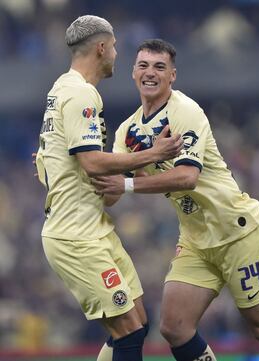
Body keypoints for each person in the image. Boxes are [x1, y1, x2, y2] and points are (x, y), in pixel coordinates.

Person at [92, 39, 259, 361]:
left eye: (159, 67)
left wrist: (126, 183)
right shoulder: (127, 130)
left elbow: (186, 177)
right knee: (174, 326)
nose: (150, 73)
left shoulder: (184, 111)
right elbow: (113, 189)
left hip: (236, 230)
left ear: (172, 76)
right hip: (196, 238)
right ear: (133, 73)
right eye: (143, 65)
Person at [35, 18, 183, 361]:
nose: (117, 55)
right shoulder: (81, 94)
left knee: (138, 323)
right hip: (76, 234)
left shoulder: (61, 88)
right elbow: (89, 162)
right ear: (101, 48)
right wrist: (154, 154)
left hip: (93, 227)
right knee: (128, 329)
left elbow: (50, 154)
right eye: (115, 47)